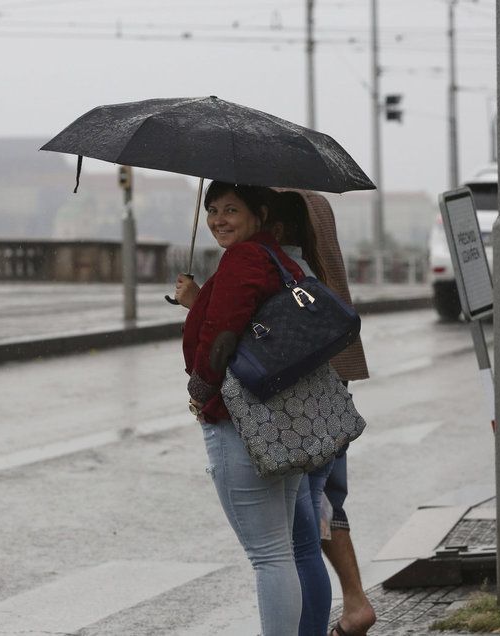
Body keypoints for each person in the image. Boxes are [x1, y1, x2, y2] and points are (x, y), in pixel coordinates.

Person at [175, 181, 308, 636]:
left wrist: (200, 392)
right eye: (212, 210)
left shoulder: (243, 259)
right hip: (279, 417)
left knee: (268, 555)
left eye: (231, 209)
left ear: (260, 213)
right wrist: (199, 300)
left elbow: (222, 337)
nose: (218, 220)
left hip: (241, 419)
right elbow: (246, 321)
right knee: (280, 551)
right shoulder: (274, 257)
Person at [285, 189, 378, 636]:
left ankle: (319, 617)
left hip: (304, 374)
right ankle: (355, 602)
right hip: (332, 365)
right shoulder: (315, 199)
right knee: (325, 497)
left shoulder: (276, 203)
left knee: (300, 515)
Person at [266, 190, 336, 636]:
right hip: (315, 423)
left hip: (294, 425)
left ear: (278, 226)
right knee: (305, 544)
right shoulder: (307, 270)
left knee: (300, 546)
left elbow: (265, 347)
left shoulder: (279, 275)